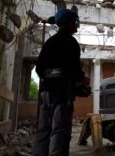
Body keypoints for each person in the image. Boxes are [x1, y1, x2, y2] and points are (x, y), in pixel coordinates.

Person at [33, 9, 89, 156]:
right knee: (60, 131)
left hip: (45, 94)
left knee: (44, 130)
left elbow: (39, 70)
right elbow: (74, 71)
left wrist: (54, 74)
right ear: (69, 23)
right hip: (62, 94)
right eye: (75, 21)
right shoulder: (71, 43)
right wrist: (82, 79)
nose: (77, 24)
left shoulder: (49, 42)